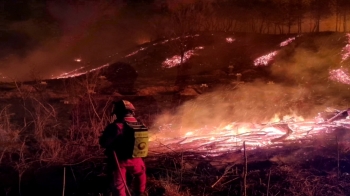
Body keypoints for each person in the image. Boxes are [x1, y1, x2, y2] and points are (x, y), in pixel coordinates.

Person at [99, 100, 148, 196]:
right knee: (140, 174)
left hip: (119, 160)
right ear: (132, 112)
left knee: (119, 184)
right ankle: (140, 192)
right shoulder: (140, 125)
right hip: (136, 158)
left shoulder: (115, 127)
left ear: (117, 113)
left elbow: (104, 143)